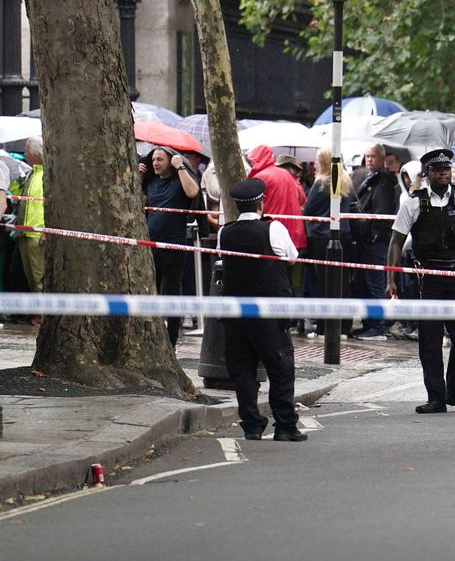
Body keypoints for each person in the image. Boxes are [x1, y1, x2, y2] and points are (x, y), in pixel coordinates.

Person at [387, 148, 455, 414]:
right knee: (430, 340)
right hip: (429, 279)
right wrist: (391, 278)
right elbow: (396, 242)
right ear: (428, 174)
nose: (444, 173)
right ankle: (436, 397)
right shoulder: (413, 203)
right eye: (438, 170)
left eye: (447, 169)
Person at [217, 179, 306, 442]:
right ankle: (285, 426)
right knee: (280, 369)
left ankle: (252, 425)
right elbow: (292, 258)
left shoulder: (226, 232)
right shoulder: (273, 228)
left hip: (235, 313)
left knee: (242, 372)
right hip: (269, 313)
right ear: (261, 203)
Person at [140, 145, 199, 347]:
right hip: (150, 245)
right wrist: (136, 179)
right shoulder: (151, 183)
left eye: (160, 159)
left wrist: (180, 167)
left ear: (170, 162)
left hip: (174, 246)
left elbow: (192, 192)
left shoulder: (179, 180)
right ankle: (153, 339)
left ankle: (171, 340)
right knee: (152, 292)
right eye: (154, 159)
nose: (156, 163)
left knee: (171, 292)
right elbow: (139, 203)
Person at [302, 147, 353, 339]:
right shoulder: (345, 179)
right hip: (344, 234)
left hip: (323, 237)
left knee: (324, 282)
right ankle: (344, 327)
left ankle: (325, 328)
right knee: (343, 281)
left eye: (317, 160)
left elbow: (308, 209)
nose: (314, 164)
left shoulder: (322, 182)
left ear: (323, 161)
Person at [353, 144, 401, 341]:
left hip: (376, 242)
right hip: (366, 240)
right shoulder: (369, 178)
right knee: (364, 284)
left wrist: (371, 235)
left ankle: (378, 326)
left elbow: (380, 215)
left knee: (375, 283)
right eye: (367, 156)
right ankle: (369, 324)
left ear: (382, 159)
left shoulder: (385, 181)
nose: (369, 160)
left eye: (373, 156)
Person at [17, 137, 46, 301]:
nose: (25, 154)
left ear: (35, 154)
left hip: (37, 235)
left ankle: (42, 313)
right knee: (30, 276)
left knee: (38, 276)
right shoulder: (30, 174)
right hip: (25, 233)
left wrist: (45, 231)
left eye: (26, 151)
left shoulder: (45, 175)